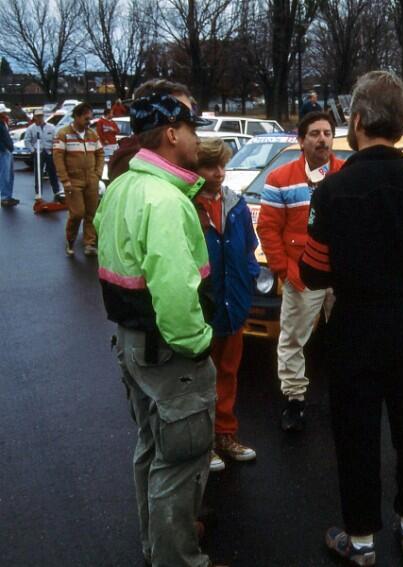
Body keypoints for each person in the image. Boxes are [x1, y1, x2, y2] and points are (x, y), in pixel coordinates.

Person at [299, 70, 403, 565]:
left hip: (354, 330)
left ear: (360, 119)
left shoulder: (332, 192)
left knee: (356, 435)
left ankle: (362, 540)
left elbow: (312, 274)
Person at [93, 87, 223, 567]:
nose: (196, 139)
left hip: (134, 347)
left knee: (152, 448)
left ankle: (156, 547)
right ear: (171, 133)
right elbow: (174, 294)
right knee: (180, 463)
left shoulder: (124, 187)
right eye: (191, 129)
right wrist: (200, 343)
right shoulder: (164, 199)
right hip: (171, 357)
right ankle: (178, 560)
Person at [256, 111, 345, 432]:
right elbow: (268, 230)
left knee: (346, 340)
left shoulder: (346, 175)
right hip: (301, 276)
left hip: (340, 278)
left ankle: (345, 399)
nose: (322, 139)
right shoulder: (279, 179)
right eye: (315, 133)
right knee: (292, 340)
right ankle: (294, 401)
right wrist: (284, 270)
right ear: (301, 140)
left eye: (327, 133)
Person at [193, 138, 260, 472]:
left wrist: (247, 284)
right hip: (201, 309)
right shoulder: (186, 205)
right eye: (209, 167)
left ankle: (225, 435)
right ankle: (202, 445)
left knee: (229, 373)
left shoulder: (236, 204)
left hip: (234, 303)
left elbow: (249, 249)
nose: (218, 173)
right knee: (200, 379)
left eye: (222, 166)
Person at [54, 102, 104, 256]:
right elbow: (57, 158)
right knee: (77, 214)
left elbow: (100, 153)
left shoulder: (93, 135)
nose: (89, 121)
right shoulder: (63, 134)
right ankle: (70, 240)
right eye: (86, 118)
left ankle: (89, 244)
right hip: (73, 181)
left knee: (91, 213)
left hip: (91, 180)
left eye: (90, 118)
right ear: (76, 116)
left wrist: (98, 173)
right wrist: (65, 180)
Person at [24, 108, 62, 201]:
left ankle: (56, 191)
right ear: (34, 117)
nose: (40, 118)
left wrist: (55, 149)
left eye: (41, 116)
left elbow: (56, 139)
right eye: (38, 116)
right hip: (38, 152)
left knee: (52, 172)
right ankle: (38, 193)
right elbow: (27, 141)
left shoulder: (51, 127)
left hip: (49, 152)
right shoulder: (31, 128)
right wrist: (32, 150)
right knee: (38, 173)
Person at [0, 103, 17, 208]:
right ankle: (5, 197)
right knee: (5, 175)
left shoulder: (3, 122)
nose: (6, 113)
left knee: (10, 175)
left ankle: (8, 196)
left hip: (7, 151)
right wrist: (4, 149)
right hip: (4, 152)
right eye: (4, 112)